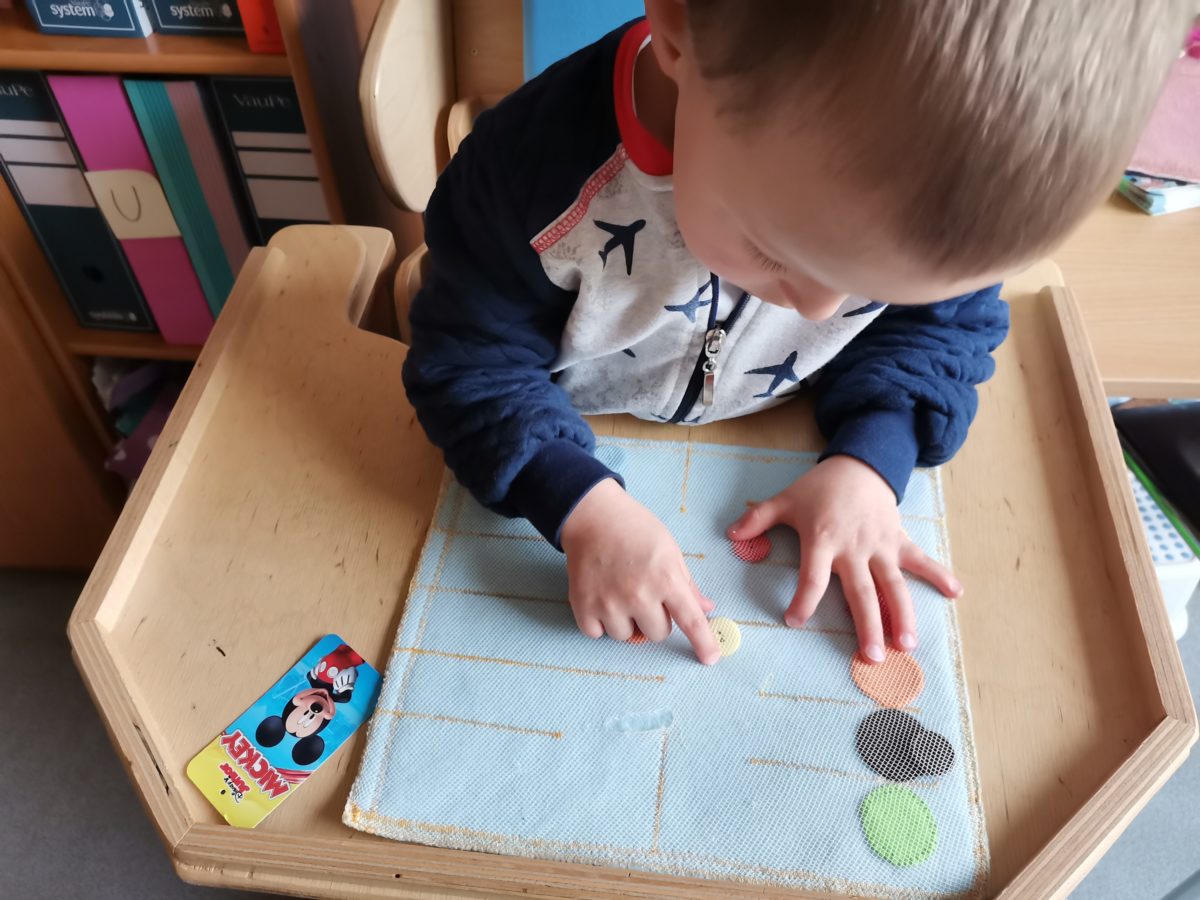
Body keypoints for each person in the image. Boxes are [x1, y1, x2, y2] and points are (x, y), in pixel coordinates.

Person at [403, 1, 1193, 664]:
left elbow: (942, 332)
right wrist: (576, 503)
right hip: (561, 437)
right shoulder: (524, 175)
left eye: (873, 293)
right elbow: (467, 364)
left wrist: (871, 460)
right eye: (773, 253)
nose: (820, 312)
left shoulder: (939, 203)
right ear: (678, 30)